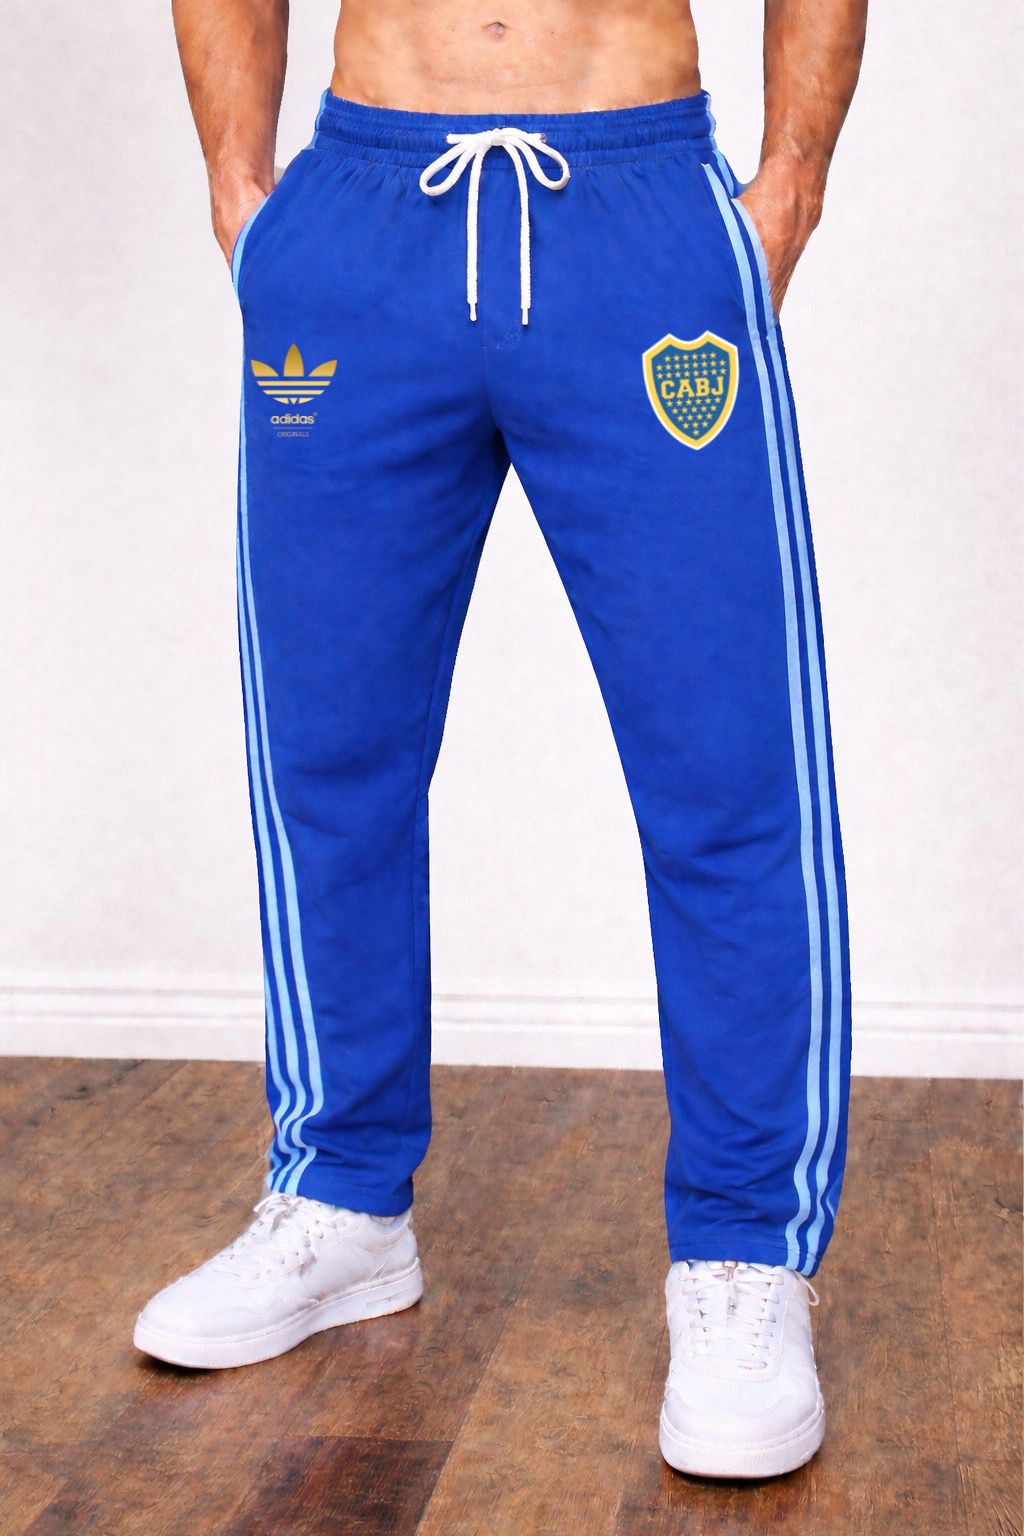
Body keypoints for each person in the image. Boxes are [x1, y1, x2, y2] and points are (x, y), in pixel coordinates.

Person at [135, 0, 867, 1480]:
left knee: (727, 772)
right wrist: (243, 196)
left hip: (636, 215)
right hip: (359, 223)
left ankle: (746, 1252)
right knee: (328, 761)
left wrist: (787, 186)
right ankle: (340, 1197)